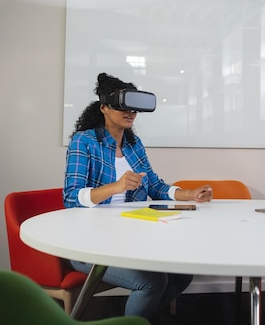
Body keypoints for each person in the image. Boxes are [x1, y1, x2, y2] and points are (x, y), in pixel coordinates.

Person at [64, 72, 213, 321]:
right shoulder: (84, 142)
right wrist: (116, 186)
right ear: (103, 108)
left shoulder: (134, 144)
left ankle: (138, 316)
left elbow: (154, 186)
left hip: (131, 236)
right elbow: (71, 197)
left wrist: (189, 194)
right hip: (89, 243)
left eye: (134, 108)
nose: (131, 112)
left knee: (182, 274)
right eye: (123, 106)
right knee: (151, 283)